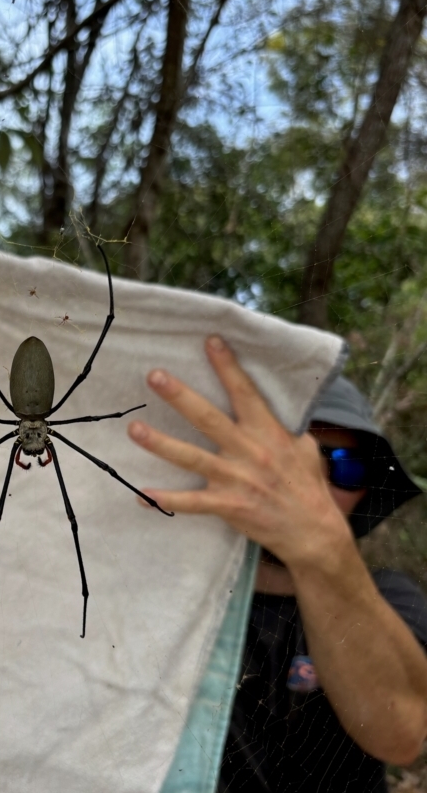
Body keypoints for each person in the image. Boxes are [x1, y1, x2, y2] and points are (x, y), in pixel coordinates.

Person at [126, 335, 427, 792]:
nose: (300, 486)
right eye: (282, 462)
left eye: (344, 465)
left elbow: (402, 733)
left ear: (363, 490)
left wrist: (317, 541)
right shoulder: (165, 592)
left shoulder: (389, 596)